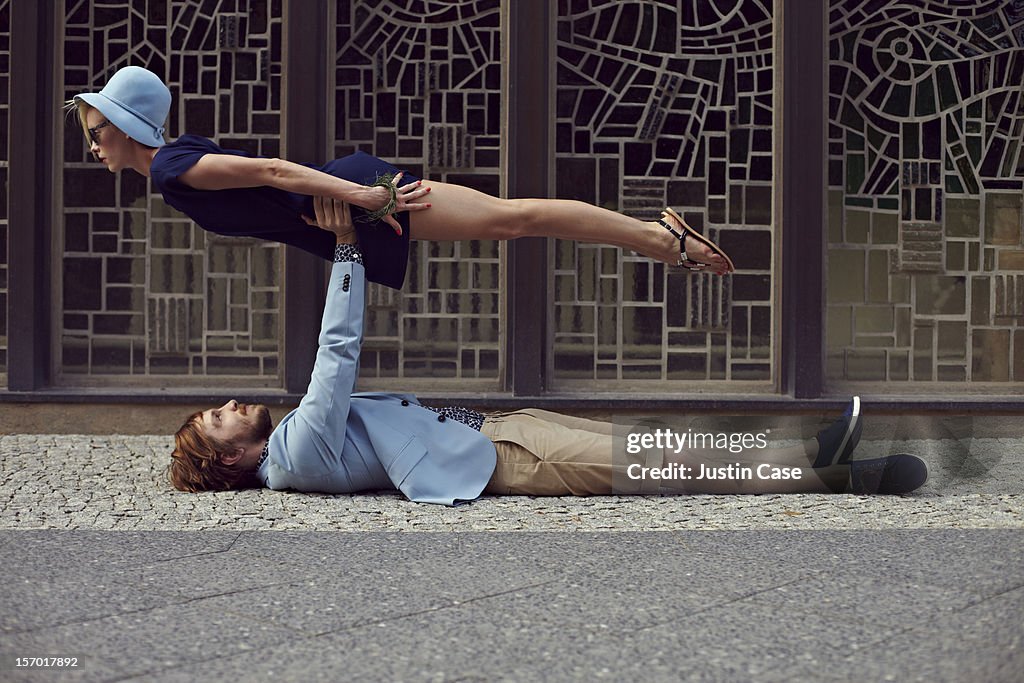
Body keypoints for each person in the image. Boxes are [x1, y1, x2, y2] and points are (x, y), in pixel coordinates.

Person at [167, 196, 929, 502]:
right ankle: (832, 476)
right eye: (217, 420)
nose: (230, 406)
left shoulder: (289, 441)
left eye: (217, 407)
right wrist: (346, 249)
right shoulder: (294, 456)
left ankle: (815, 451)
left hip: (495, 428)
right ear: (230, 460)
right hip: (503, 461)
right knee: (658, 466)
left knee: (655, 444)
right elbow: (335, 358)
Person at [69, 66, 734, 290]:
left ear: (127, 128)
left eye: (96, 130)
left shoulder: (175, 167)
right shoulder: (174, 167)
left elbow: (271, 168)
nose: (93, 144)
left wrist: (364, 196)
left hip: (361, 196)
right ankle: (654, 237)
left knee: (513, 218)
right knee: (511, 220)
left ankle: (655, 237)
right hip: (348, 207)